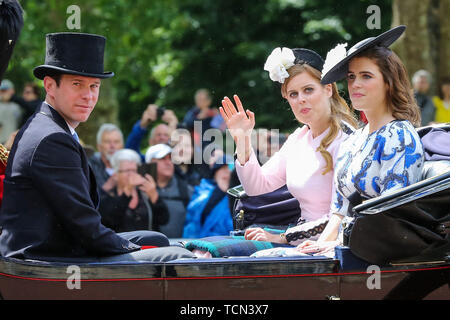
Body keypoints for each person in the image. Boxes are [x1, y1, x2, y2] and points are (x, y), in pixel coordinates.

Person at [0, 32, 194, 262]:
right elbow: (86, 228)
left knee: (157, 239)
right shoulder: (51, 138)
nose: (88, 96)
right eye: (77, 84)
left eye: (94, 86)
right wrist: (138, 251)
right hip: (46, 262)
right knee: (178, 257)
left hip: (60, 249)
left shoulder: (48, 127)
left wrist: (139, 246)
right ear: (50, 86)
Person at [297, 25, 425, 256]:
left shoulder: (400, 136)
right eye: (351, 77)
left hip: (376, 257)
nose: (355, 84)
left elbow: (390, 216)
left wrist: (335, 246)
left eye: (366, 76)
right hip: (342, 250)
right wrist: (311, 251)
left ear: (389, 82)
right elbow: (339, 211)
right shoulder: (353, 139)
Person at [219, 47, 357, 246]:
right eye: (293, 94)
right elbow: (256, 186)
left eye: (308, 90)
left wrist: (283, 237)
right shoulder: (299, 138)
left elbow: (340, 214)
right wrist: (243, 140)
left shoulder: (346, 139)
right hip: (297, 239)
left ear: (328, 89)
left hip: (328, 246)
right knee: (202, 251)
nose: (301, 99)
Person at [98, 148, 169, 233]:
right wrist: (127, 192)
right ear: (116, 174)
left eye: (134, 170)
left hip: (148, 244)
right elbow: (109, 222)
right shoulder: (108, 197)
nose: (131, 174)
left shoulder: (144, 194)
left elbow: (164, 220)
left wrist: (154, 196)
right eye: (127, 171)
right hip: (121, 245)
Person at [145, 143, 193, 238]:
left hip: (182, 248)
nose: (168, 162)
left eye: (170, 158)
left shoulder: (186, 189)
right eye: (162, 159)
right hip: (149, 250)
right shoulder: (139, 189)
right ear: (150, 163)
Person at [183, 154, 233, 238]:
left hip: (226, 244)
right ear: (215, 173)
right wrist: (219, 192)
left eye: (229, 168)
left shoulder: (239, 195)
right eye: (222, 168)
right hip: (199, 243)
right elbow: (194, 218)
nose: (227, 172)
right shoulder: (202, 191)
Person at [89, 123, 124, 193]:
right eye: (107, 142)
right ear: (99, 147)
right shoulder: (89, 168)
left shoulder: (130, 167)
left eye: (116, 142)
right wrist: (108, 186)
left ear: (122, 146)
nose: (112, 146)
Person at [0, 79, 23, 144]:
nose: (3, 93)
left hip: (12, 144)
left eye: (5, 90)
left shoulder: (17, 107)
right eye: (2, 91)